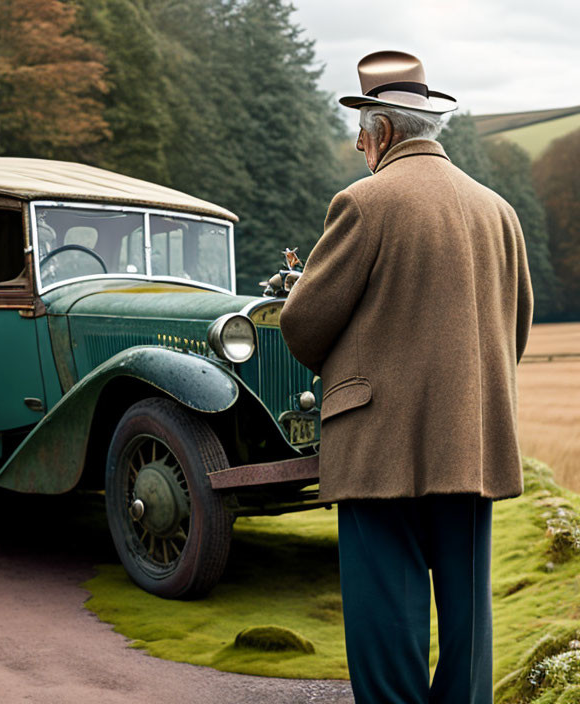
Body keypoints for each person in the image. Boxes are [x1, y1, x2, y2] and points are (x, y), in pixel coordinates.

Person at [278, 50, 534, 704]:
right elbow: (517, 332)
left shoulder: (364, 203)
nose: (359, 145)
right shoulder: (500, 212)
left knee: (387, 646)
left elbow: (303, 327)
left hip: (377, 451)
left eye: (362, 133)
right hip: (470, 443)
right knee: (468, 639)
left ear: (384, 133)